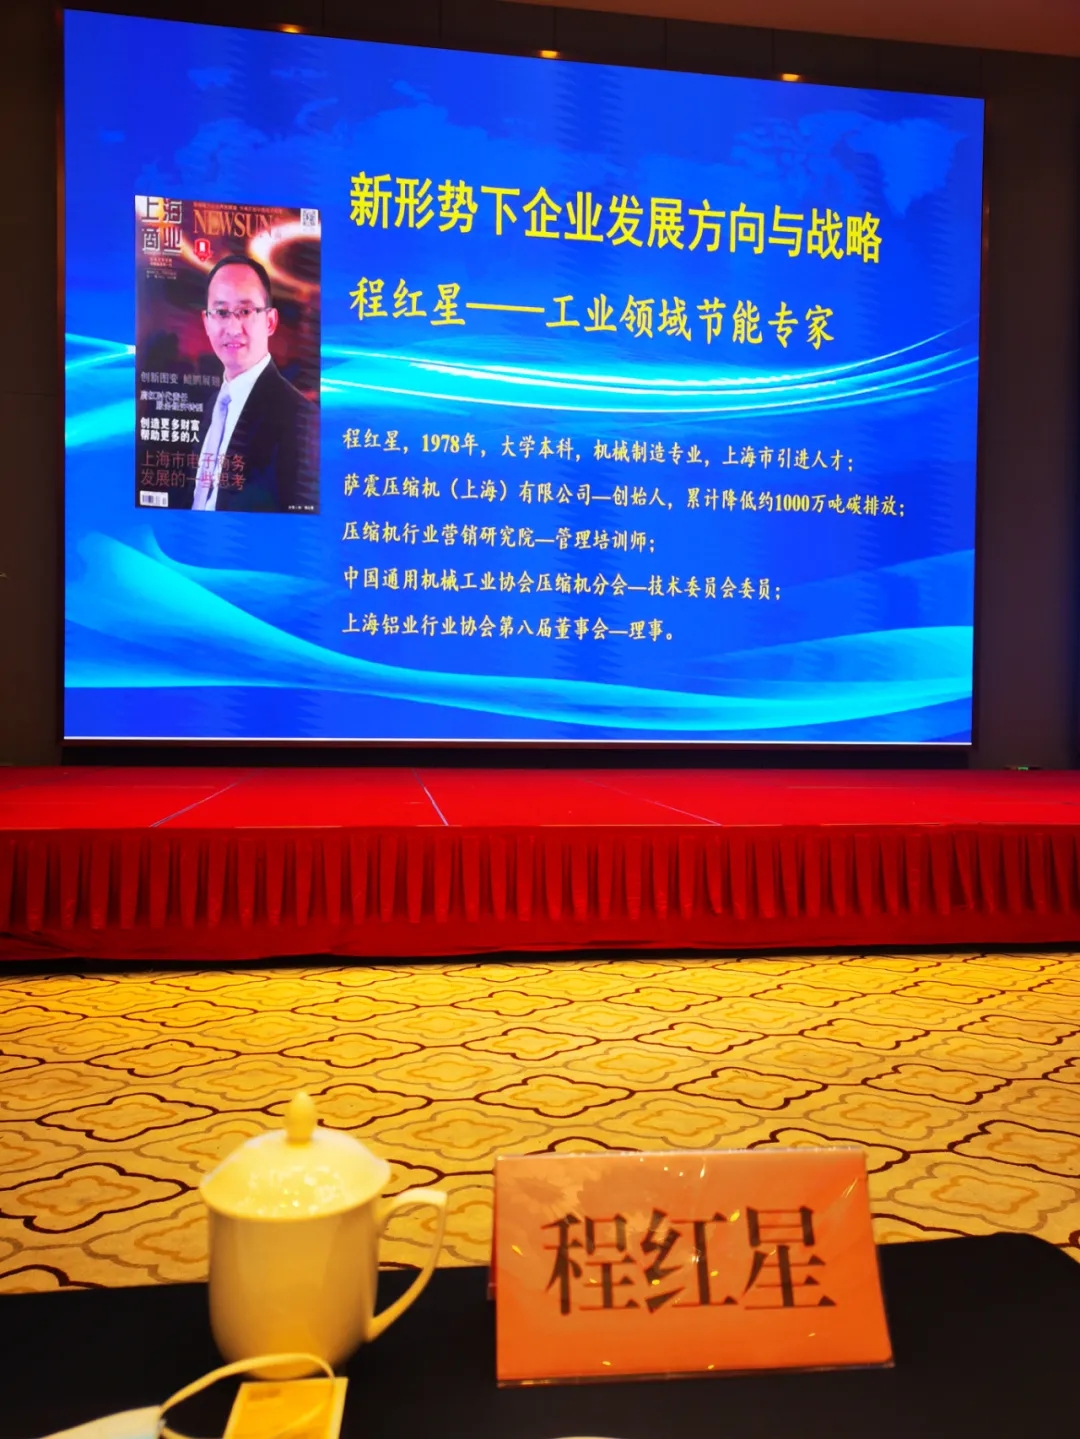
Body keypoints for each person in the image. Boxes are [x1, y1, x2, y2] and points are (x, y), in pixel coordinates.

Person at [178, 255, 318, 513]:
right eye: (221, 312)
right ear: (206, 322)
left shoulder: (301, 421)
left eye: (245, 311)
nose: (233, 328)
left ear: (270, 321)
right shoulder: (214, 405)